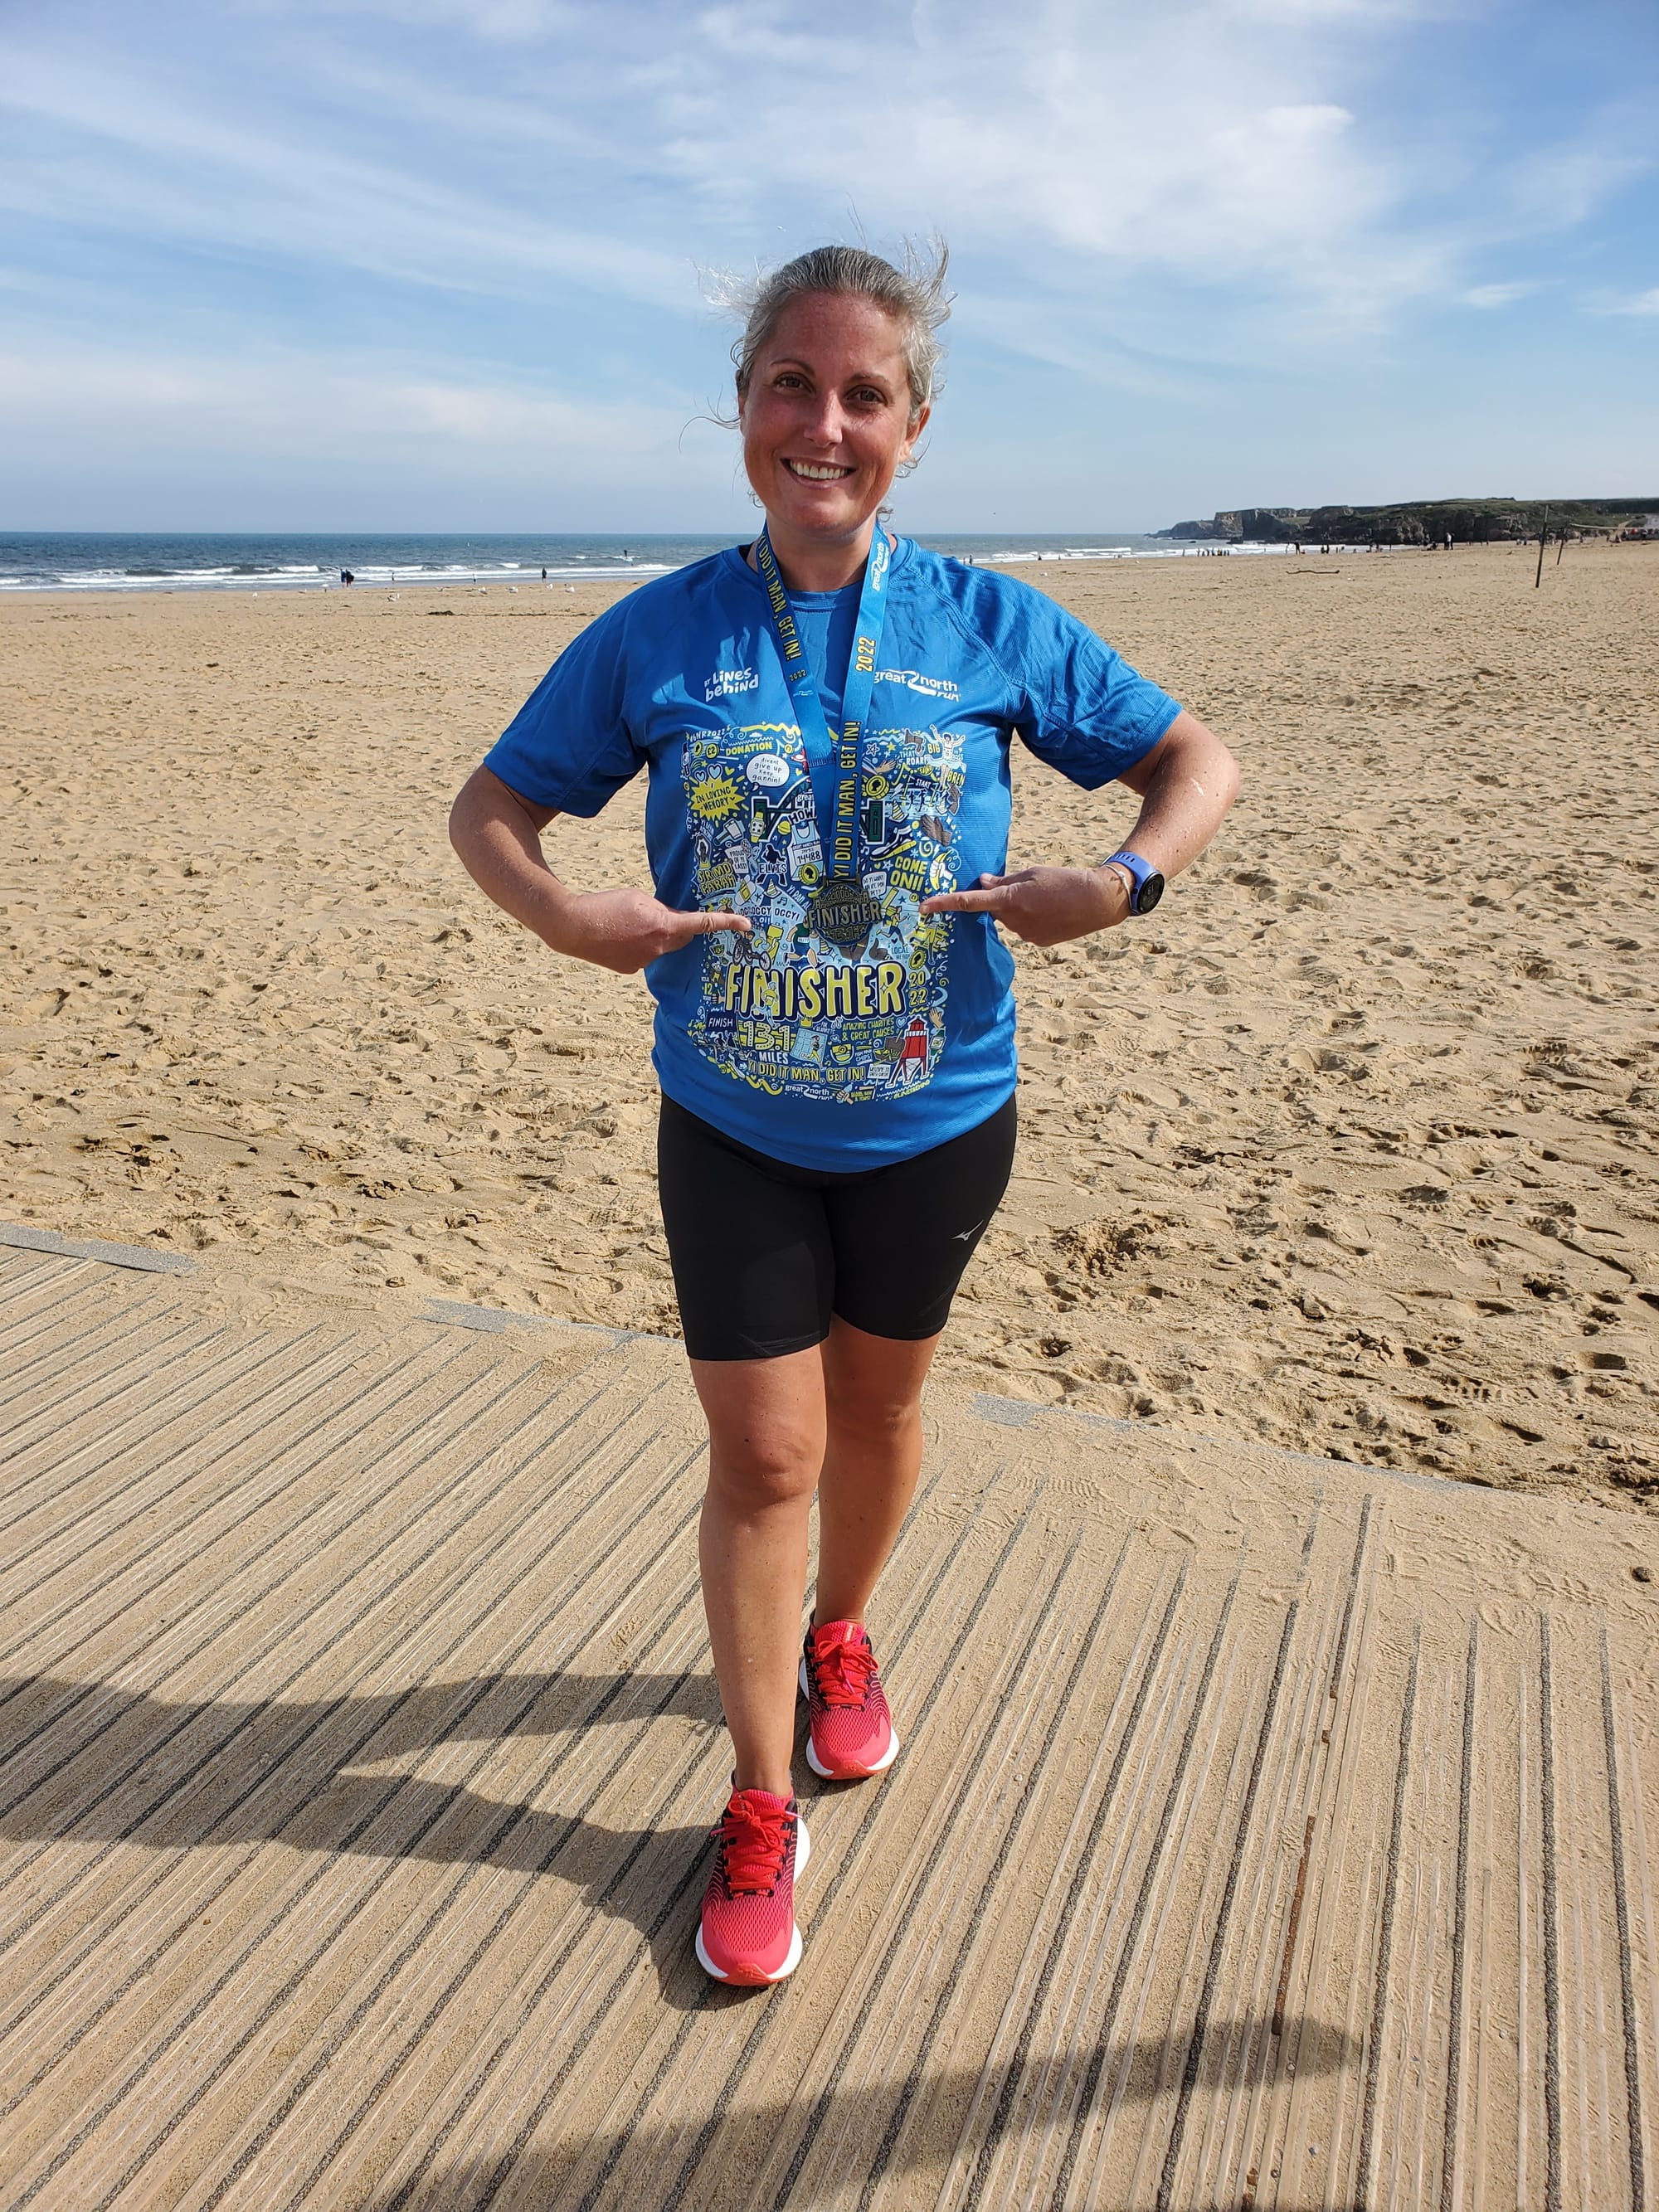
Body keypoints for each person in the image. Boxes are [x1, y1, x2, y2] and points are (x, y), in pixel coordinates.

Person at [447, 242, 1239, 1987]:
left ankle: (844, 1631)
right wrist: (566, 916)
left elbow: (1196, 763)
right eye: (789, 386)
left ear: (912, 425)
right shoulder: (660, 630)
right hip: (730, 1122)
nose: (824, 423)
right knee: (767, 1456)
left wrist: (1121, 881)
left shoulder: (989, 623)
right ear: (742, 408)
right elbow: (492, 806)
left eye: (861, 393)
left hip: (938, 1118)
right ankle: (754, 1798)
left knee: (877, 1414)